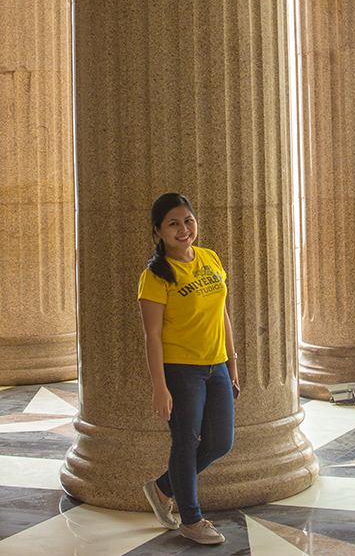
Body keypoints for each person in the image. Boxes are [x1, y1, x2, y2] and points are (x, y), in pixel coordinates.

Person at [138, 192, 239, 545]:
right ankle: (192, 520)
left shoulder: (210, 258)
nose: (184, 229)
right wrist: (159, 386)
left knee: (220, 442)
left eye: (188, 220)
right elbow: (152, 335)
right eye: (173, 224)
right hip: (181, 370)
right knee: (185, 442)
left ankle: (163, 488)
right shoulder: (155, 275)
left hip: (216, 366)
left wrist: (232, 362)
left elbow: (223, 314)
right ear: (158, 230)